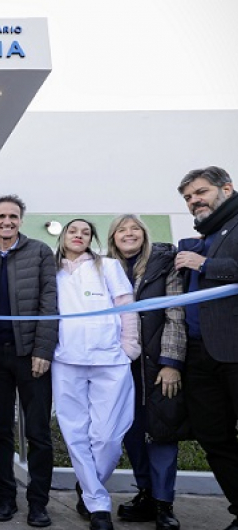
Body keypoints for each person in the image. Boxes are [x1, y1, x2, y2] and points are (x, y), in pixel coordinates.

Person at [52, 219, 140, 530]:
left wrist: (129, 347)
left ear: (92, 239)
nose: (79, 235)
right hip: (66, 359)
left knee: (108, 437)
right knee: (75, 434)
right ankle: (98, 505)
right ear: (63, 236)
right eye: (73, 231)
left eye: (86, 232)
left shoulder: (109, 266)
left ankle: (88, 486)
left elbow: (126, 306)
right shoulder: (52, 271)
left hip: (110, 359)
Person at [107, 214, 187, 530]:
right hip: (119, 366)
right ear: (113, 238)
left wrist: (171, 363)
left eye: (134, 229)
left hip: (156, 364)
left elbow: (176, 312)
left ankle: (164, 504)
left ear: (144, 234)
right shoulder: (106, 268)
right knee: (131, 430)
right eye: (121, 230)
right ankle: (146, 495)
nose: (129, 234)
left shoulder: (164, 264)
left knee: (162, 430)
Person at [0, 195, 57, 527]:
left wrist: (43, 350)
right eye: (1, 216)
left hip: (30, 355)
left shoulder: (40, 251)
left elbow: (49, 303)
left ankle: (38, 503)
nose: (7, 221)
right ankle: (6, 497)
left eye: (13, 216)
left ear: (21, 220)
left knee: (38, 433)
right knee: (0, 431)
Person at [175, 166, 238, 530]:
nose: (194, 201)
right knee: (213, 437)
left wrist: (207, 264)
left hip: (234, 351)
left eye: (200, 192)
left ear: (226, 189)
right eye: (188, 197)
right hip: (200, 354)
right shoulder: (207, 234)